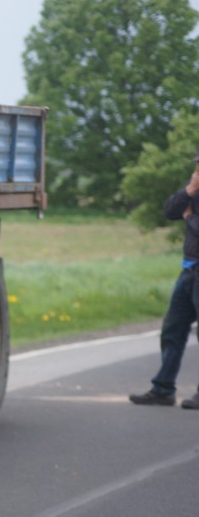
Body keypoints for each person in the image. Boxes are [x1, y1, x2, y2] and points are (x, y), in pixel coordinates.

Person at [129, 153, 199, 409]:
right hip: (190, 269)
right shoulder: (195, 191)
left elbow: (192, 222)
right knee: (172, 329)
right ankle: (163, 389)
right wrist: (189, 190)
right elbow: (170, 210)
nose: (198, 170)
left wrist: (190, 217)